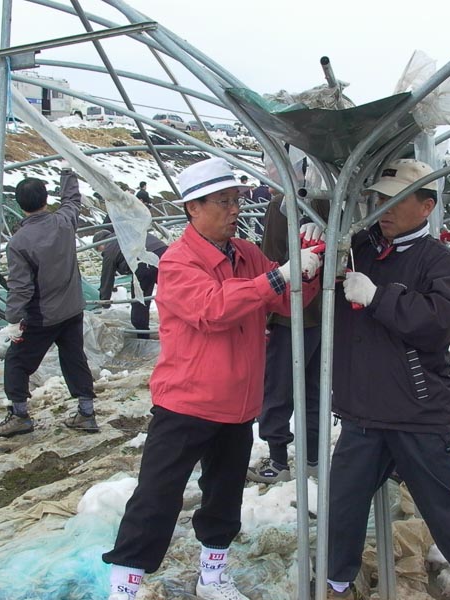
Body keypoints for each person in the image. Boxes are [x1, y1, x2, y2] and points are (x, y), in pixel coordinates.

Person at [102, 157, 322, 600]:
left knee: (224, 496)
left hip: (238, 405)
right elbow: (213, 309)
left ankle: (213, 575)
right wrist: (278, 276)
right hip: (187, 403)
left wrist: (308, 258)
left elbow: (286, 302)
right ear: (192, 208)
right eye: (222, 202)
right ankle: (126, 584)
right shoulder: (179, 262)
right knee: (157, 497)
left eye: (236, 200)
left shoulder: (245, 254)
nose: (234, 209)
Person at [328, 159, 450, 600]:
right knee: (343, 503)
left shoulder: (441, 261)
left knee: (442, 504)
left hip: (417, 409)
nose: (383, 209)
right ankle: (336, 582)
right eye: (379, 199)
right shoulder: (360, 249)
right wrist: (323, 262)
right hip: (363, 407)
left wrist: (377, 297)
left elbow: (438, 324)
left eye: (396, 200)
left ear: (426, 206)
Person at [0, 166, 97, 438]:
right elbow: (72, 200)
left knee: (16, 361)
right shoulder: (64, 221)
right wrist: (68, 172)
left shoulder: (19, 242)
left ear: (19, 205)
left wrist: (14, 321)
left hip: (43, 315)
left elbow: (20, 287)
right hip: (72, 308)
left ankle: (19, 415)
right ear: (45, 199)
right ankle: (86, 412)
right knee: (74, 358)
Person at [247, 188, 327, 483]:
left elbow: (271, 259)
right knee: (314, 388)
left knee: (278, 390)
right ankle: (313, 459)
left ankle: (278, 460)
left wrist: (265, 314)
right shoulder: (332, 199)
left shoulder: (282, 203)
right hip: (322, 314)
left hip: (288, 314)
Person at [92, 229, 168, 339]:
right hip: (165, 253)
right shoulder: (126, 233)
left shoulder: (110, 246)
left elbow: (107, 277)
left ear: (101, 242)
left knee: (139, 300)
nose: (102, 253)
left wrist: (104, 301)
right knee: (173, 291)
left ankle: (143, 338)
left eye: (99, 249)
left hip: (143, 261)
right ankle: (186, 324)